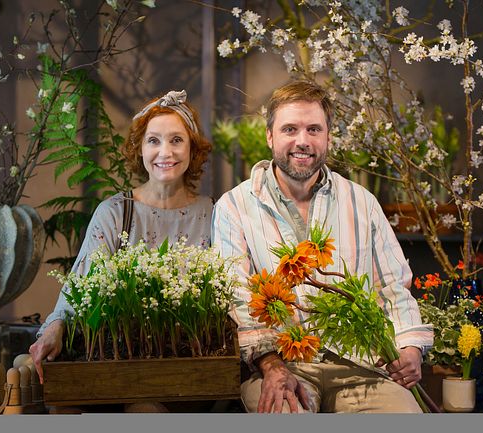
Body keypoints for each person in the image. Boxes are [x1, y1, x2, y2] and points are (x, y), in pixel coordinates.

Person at [211, 80, 433, 413]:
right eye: (290, 129)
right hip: (283, 365)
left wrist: (409, 348)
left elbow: (393, 287)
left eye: (314, 129)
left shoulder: (361, 202)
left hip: (363, 366)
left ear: (328, 137)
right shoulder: (235, 207)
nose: (302, 141)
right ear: (270, 136)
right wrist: (270, 364)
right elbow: (236, 295)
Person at [29, 90, 213, 392]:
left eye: (177, 140)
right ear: (139, 149)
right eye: (153, 140)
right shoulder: (116, 212)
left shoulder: (214, 212)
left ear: (194, 149)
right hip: (126, 363)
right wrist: (55, 326)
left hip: (191, 366)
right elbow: (81, 284)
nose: (165, 152)